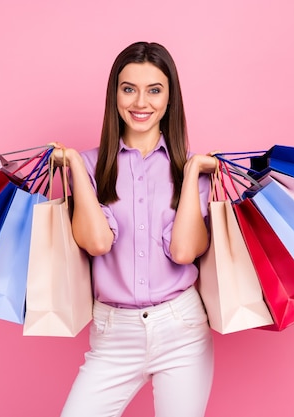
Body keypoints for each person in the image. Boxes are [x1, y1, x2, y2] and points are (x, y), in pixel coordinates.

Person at [51, 41, 217, 417]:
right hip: (113, 334)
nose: (140, 102)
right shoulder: (90, 166)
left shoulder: (195, 170)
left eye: (154, 90)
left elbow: (184, 252)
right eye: (129, 89)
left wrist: (190, 174)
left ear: (170, 98)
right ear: (115, 96)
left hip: (182, 329)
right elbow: (96, 242)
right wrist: (76, 164)